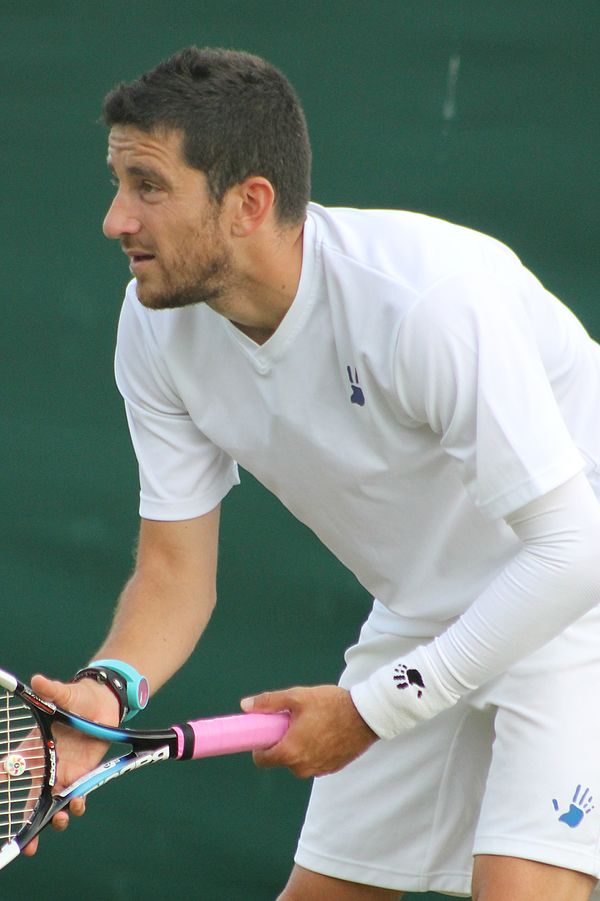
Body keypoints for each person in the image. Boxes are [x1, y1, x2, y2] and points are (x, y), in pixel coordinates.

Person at [27, 46, 600, 900]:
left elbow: (574, 550)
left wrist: (372, 709)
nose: (116, 219)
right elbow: (174, 577)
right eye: (118, 184)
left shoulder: (421, 303)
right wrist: (105, 693)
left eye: (148, 186)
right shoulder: (155, 325)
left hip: (576, 600)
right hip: (428, 613)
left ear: (248, 203)